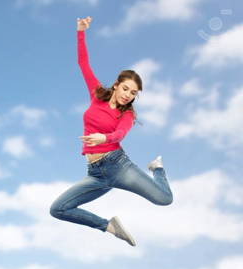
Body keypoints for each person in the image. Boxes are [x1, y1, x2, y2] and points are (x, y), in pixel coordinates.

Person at [49, 16, 173, 247]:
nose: (128, 94)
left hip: (118, 166)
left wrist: (104, 137)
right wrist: (80, 32)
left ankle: (157, 168)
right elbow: (83, 64)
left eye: (133, 93)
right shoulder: (97, 95)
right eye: (126, 88)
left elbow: (120, 135)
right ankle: (108, 226)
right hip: (95, 173)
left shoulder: (126, 115)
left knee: (164, 199)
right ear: (116, 85)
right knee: (58, 209)